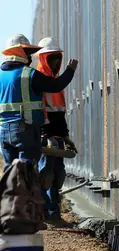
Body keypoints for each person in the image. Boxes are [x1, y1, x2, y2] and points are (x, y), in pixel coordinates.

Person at [0, 34, 78, 172]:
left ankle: (11, 193)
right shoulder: (29, 74)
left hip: (4, 131)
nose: (30, 57)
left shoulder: (1, 75)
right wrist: (70, 70)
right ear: (20, 52)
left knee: (10, 173)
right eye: (28, 52)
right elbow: (55, 86)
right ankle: (29, 193)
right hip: (24, 131)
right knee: (27, 171)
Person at [35, 37, 77, 220]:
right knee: (46, 173)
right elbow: (41, 112)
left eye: (58, 57)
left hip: (57, 137)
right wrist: (44, 136)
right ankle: (45, 211)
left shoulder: (54, 81)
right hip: (46, 136)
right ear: (43, 58)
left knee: (57, 175)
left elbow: (58, 113)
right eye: (52, 58)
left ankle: (53, 211)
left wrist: (66, 137)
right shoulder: (39, 79)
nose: (56, 61)